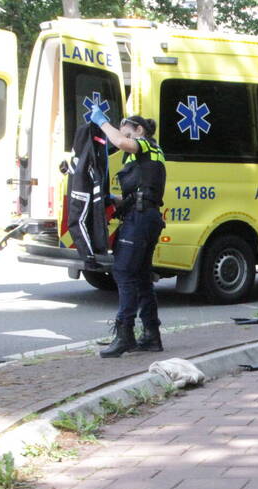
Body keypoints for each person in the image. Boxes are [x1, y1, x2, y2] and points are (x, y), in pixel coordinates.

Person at [88, 107, 167, 358]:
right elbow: (141, 193)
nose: (120, 138)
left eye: (125, 131)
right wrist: (114, 199)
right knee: (141, 276)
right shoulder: (143, 158)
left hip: (142, 219)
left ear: (139, 130)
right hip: (143, 216)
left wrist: (102, 122)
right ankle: (151, 335)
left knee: (123, 271)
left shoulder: (145, 144)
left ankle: (125, 335)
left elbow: (121, 141)